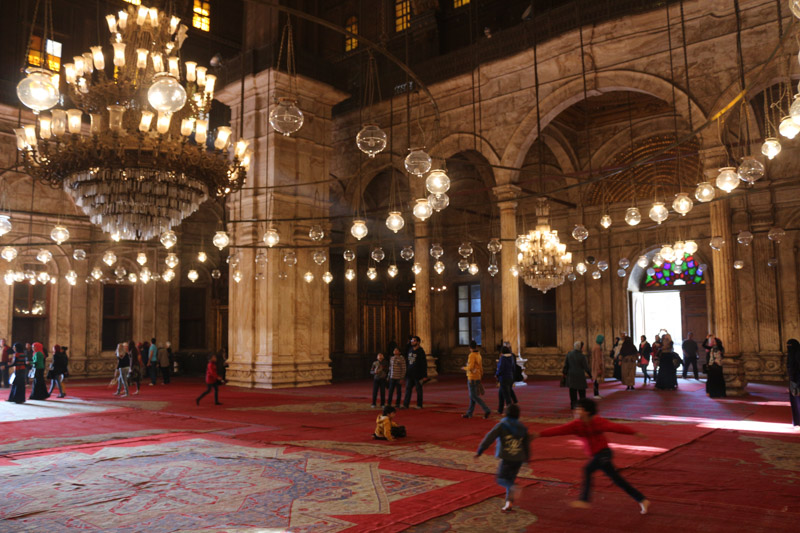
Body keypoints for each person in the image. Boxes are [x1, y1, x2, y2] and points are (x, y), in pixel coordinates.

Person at [535, 398, 650, 514]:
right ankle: (642, 499)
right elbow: (558, 430)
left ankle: (584, 499)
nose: (575, 412)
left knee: (588, 469)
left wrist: (634, 432)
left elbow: (616, 427)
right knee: (617, 480)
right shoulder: (576, 425)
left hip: (604, 453)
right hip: (596, 456)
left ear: (587, 411)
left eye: (579, 409)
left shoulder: (598, 422)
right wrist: (539, 434)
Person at [476, 404, 531, 513]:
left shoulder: (502, 425)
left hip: (507, 458)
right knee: (510, 480)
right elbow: (526, 444)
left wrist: (480, 450)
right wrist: (527, 458)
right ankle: (508, 504)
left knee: (502, 480)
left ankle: (513, 487)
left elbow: (489, 437)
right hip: (518, 459)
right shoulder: (522, 427)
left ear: (506, 413)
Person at [462, 340, 491, 419]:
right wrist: (480, 376)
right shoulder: (479, 355)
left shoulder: (471, 355)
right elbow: (481, 367)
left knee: (473, 396)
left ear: (470, 347)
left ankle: (486, 409)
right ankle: (469, 413)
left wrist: (464, 368)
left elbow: (470, 367)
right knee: (473, 396)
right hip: (477, 376)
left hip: (472, 377)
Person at [564, 341, 591, 408]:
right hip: (580, 376)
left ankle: (573, 405)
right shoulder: (582, 356)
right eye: (582, 346)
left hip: (571, 375)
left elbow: (566, 365)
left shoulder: (569, 354)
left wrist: (564, 373)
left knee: (572, 391)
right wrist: (590, 375)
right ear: (580, 347)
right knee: (581, 392)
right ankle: (582, 406)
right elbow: (586, 367)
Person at [402, 335, 427, 409]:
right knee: (408, 389)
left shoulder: (421, 351)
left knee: (418, 390)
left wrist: (424, 375)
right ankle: (405, 405)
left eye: (414, 341)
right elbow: (406, 357)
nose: (412, 342)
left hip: (418, 374)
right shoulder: (410, 349)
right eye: (411, 341)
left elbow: (424, 363)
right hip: (410, 373)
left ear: (418, 342)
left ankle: (419, 405)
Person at [496, 345, 516, 414]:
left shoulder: (503, 358)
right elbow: (513, 368)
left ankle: (510, 412)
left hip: (503, 378)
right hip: (510, 377)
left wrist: (497, 374)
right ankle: (500, 410)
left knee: (507, 396)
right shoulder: (511, 357)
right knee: (501, 394)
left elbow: (500, 368)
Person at [786, 339, 800, 427]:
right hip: (793, 381)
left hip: (798, 380)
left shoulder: (798, 355)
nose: (788, 347)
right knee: (795, 402)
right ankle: (797, 421)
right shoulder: (791, 355)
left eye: (790, 345)